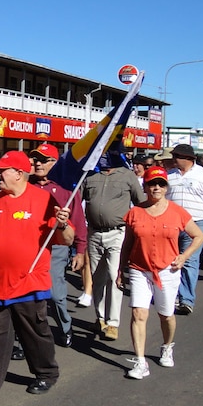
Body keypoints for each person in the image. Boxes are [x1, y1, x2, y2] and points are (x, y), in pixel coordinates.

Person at [0, 151, 73, 406]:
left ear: (19, 173)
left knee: (34, 333)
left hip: (29, 283)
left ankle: (46, 373)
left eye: (1, 170)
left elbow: (66, 239)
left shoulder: (44, 200)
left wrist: (63, 224)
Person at [117, 166, 203, 379]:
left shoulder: (177, 212)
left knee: (166, 315)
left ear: (166, 187)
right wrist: (121, 269)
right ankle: (140, 362)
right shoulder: (135, 212)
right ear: (145, 186)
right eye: (151, 183)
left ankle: (167, 346)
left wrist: (184, 257)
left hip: (168, 269)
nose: (156, 187)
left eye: (161, 184)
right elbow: (127, 243)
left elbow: (199, 236)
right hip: (139, 269)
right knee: (138, 313)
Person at [81, 142, 145, 340]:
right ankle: (100, 318)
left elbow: (141, 204)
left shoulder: (127, 176)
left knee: (114, 276)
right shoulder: (90, 175)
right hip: (94, 233)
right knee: (97, 278)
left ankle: (113, 323)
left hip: (118, 234)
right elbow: (77, 200)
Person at [29, 144, 87, 347]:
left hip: (58, 246)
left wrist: (80, 251)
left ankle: (65, 326)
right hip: (32, 246)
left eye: (43, 160)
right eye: (35, 159)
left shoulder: (66, 189)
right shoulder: (27, 185)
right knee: (29, 295)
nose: (37, 163)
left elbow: (79, 221)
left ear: (54, 163)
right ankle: (29, 335)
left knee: (55, 293)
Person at [165, 144, 203, 315]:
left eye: (177, 156)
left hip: (196, 224)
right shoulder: (170, 176)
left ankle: (186, 299)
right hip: (171, 224)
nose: (174, 159)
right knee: (171, 260)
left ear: (188, 159)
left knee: (190, 261)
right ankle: (172, 295)